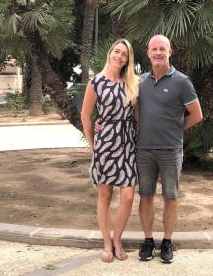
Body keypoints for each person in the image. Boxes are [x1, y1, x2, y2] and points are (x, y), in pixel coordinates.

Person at [136, 35, 203, 264]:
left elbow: (197, 114)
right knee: (145, 196)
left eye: (162, 49)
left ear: (169, 52)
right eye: (154, 49)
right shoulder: (140, 82)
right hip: (144, 150)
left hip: (170, 150)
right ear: (148, 53)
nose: (158, 52)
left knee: (170, 197)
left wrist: (176, 127)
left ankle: (166, 242)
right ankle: (148, 240)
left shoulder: (182, 82)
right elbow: (132, 112)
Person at [80, 38, 139, 263]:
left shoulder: (132, 83)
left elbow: (137, 116)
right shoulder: (96, 82)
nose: (119, 56)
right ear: (110, 53)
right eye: (117, 51)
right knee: (104, 196)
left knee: (128, 196)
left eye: (124, 54)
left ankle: (117, 239)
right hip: (105, 145)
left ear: (128, 59)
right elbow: (85, 116)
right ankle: (106, 242)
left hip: (127, 144)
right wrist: (93, 144)